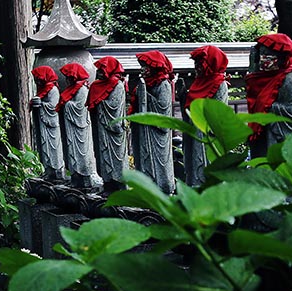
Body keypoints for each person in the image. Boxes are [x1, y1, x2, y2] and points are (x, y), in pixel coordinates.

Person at [245, 33, 292, 158]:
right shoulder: (260, 78)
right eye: (261, 54)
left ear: (281, 57)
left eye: (267, 54)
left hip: (278, 132)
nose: (263, 58)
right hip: (262, 130)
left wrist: (266, 107)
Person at [183, 45, 230, 187]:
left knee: (208, 164)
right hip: (195, 131)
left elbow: (219, 111)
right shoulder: (198, 83)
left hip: (209, 133)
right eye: (195, 63)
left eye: (199, 63)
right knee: (194, 163)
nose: (196, 67)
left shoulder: (220, 84)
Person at [132, 50, 175, 194]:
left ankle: (163, 188)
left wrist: (146, 96)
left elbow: (163, 108)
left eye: (145, 66)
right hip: (146, 130)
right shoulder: (145, 84)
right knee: (145, 159)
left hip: (158, 133)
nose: (142, 69)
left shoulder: (164, 84)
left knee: (160, 161)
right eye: (141, 66)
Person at [57, 62, 103, 190]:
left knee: (82, 152)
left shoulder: (82, 89)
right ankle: (75, 177)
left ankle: (85, 179)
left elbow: (79, 108)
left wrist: (66, 105)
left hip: (80, 128)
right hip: (72, 128)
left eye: (68, 77)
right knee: (72, 152)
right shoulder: (72, 89)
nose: (66, 80)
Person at [86, 56, 128, 189]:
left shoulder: (118, 85)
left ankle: (119, 185)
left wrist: (99, 104)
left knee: (117, 157)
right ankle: (107, 183)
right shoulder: (98, 85)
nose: (98, 73)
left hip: (113, 127)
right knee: (103, 154)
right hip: (102, 127)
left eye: (101, 70)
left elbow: (114, 106)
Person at [31, 66, 66, 182]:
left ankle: (57, 172)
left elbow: (53, 107)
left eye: (38, 78)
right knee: (44, 147)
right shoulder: (43, 90)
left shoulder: (53, 90)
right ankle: (48, 170)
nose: (36, 81)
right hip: (44, 125)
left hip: (51, 125)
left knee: (53, 147)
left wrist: (41, 104)